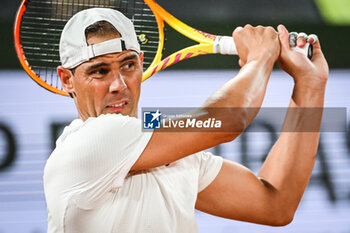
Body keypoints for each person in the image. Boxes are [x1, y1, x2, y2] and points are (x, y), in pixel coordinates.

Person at [43, 7, 328, 233]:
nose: (118, 84)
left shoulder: (166, 149)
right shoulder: (88, 143)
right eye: (99, 71)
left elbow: (275, 205)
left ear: (142, 62)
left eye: (128, 65)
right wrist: (260, 58)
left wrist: (310, 85)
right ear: (67, 79)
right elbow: (228, 120)